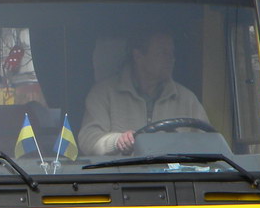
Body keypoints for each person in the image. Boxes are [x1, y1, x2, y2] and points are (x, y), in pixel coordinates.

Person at [78, 30, 208, 156]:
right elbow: (88, 140)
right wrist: (118, 141)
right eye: (162, 53)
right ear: (138, 56)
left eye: (171, 53)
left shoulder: (187, 99)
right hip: (121, 177)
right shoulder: (103, 94)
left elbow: (208, 144)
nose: (171, 59)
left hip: (173, 177)